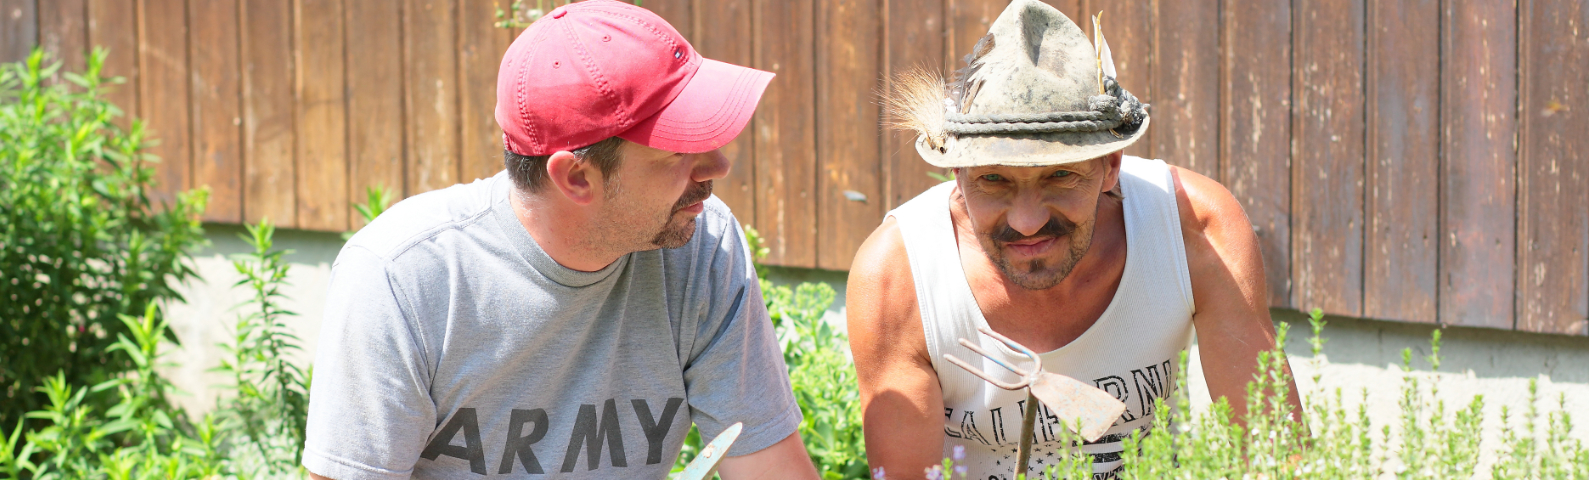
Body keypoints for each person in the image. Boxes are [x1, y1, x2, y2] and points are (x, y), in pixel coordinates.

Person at [301, 2, 820, 479]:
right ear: (576, 178)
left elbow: (769, 466)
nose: (719, 166)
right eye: (677, 151)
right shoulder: (404, 277)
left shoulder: (702, 244)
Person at [846, 0, 1304, 478]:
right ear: (956, 173)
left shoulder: (1192, 228)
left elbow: (1277, 453)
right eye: (994, 181)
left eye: (1060, 175)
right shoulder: (901, 276)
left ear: (1110, 166)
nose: (1026, 222)